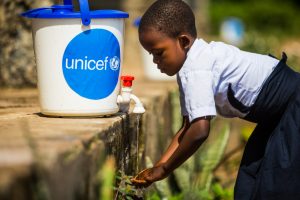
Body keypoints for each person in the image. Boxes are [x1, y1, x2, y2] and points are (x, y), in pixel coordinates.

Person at [131, 0, 300, 199]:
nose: (155, 61)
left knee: (275, 186)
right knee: (250, 181)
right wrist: (158, 167)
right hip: (276, 115)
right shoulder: (189, 68)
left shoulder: (197, 66)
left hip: (293, 107)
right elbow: (188, 127)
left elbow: (200, 130)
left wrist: (165, 168)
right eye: (151, 54)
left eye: (159, 53)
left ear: (184, 41)